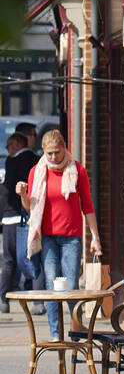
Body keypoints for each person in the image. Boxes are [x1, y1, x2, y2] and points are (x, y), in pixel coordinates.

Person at [18, 129, 100, 341]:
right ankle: (55, 334)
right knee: (51, 287)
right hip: (47, 237)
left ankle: (75, 329)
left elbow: (88, 206)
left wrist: (95, 238)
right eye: (49, 153)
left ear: (64, 148)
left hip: (71, 237)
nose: (54, 157)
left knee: (71, 286)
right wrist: (22, 195)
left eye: (57, 152)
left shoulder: (76, 170)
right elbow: (30, 209)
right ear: (43, 151)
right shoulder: (37, 171)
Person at [0, 134, 41, 313]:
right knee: (34, 257)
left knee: (9, 260)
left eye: (9, 145)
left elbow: (6, 192)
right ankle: (38, 300)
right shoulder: (37, 161)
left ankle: (3, 298)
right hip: (33, 215)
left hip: (12, 216)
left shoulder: (12, 161)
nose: (8, 149)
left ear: (16, 144)